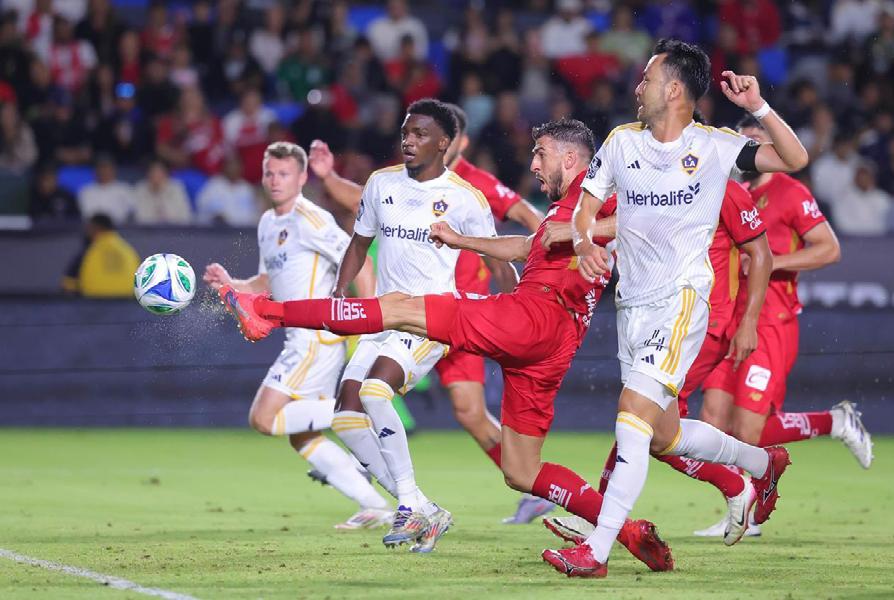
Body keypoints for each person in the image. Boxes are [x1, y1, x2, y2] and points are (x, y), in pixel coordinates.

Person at [217, 117, 677, 574]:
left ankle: (268, 311)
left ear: (570, 157)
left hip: (532, 317)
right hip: (552, 347)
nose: (533, 164)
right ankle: (628, 533)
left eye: (541, 154)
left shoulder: (593, 197)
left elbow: (654, 217)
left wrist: (587, 234)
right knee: (520, 470)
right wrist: (462, 240)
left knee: (398, 307)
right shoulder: (565, 208)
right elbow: (525, 247)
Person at [551, 38, 811, 577]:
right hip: (632, 305)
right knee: (665, 435)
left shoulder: (715, 146)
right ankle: (760, 464)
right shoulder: (622, 142)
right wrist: (583, 243)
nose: (637, 88)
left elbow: (796, 159)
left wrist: (758, 106)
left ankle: (596, 551)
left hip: (682, 301)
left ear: (673, 89)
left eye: (646, 78)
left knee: (631, 417)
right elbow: (585, 207)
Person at [307, 105, 549, 524]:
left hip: (446, 317)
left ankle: (525, 487)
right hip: (386, 317)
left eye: (420, 134)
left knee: (417, 401)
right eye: (406, 132)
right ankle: (417, 502)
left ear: (449, 142)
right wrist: (328, 180)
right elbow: (361, 228)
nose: (409, 141)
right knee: (347, 416)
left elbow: (509, 242)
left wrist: (524, 306)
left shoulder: (471, 190)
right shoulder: (384, 182)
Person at [687, 114, 871, 536]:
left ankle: (834, 422)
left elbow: (829, 249)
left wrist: (769, 264)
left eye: (757, 141)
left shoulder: (789, 192)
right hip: (726, 317)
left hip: (771, 320)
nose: (750, 149)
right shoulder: (723, 191)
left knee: (748, 429)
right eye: (744, 142)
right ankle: (740, 508)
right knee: (712, 419)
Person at [202, 141, 391, 531]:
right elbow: (267, 282)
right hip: (301, 340)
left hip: (315, 339)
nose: (275, 180)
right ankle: (374, 505)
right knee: (302, 437)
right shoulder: (268, 223)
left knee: (263, 418)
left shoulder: (312, 219)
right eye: (270, 173)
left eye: (284, 173)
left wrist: (369, 318)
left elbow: (360, 260)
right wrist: (231, 284)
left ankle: (351, 416)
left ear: (302, 177)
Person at [62, 213, 140, 297]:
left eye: (88, 228)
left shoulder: (88, 251)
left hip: (94, 301)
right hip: (127, 301)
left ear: (96, 228)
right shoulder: (128, 251)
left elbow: (68, 285)